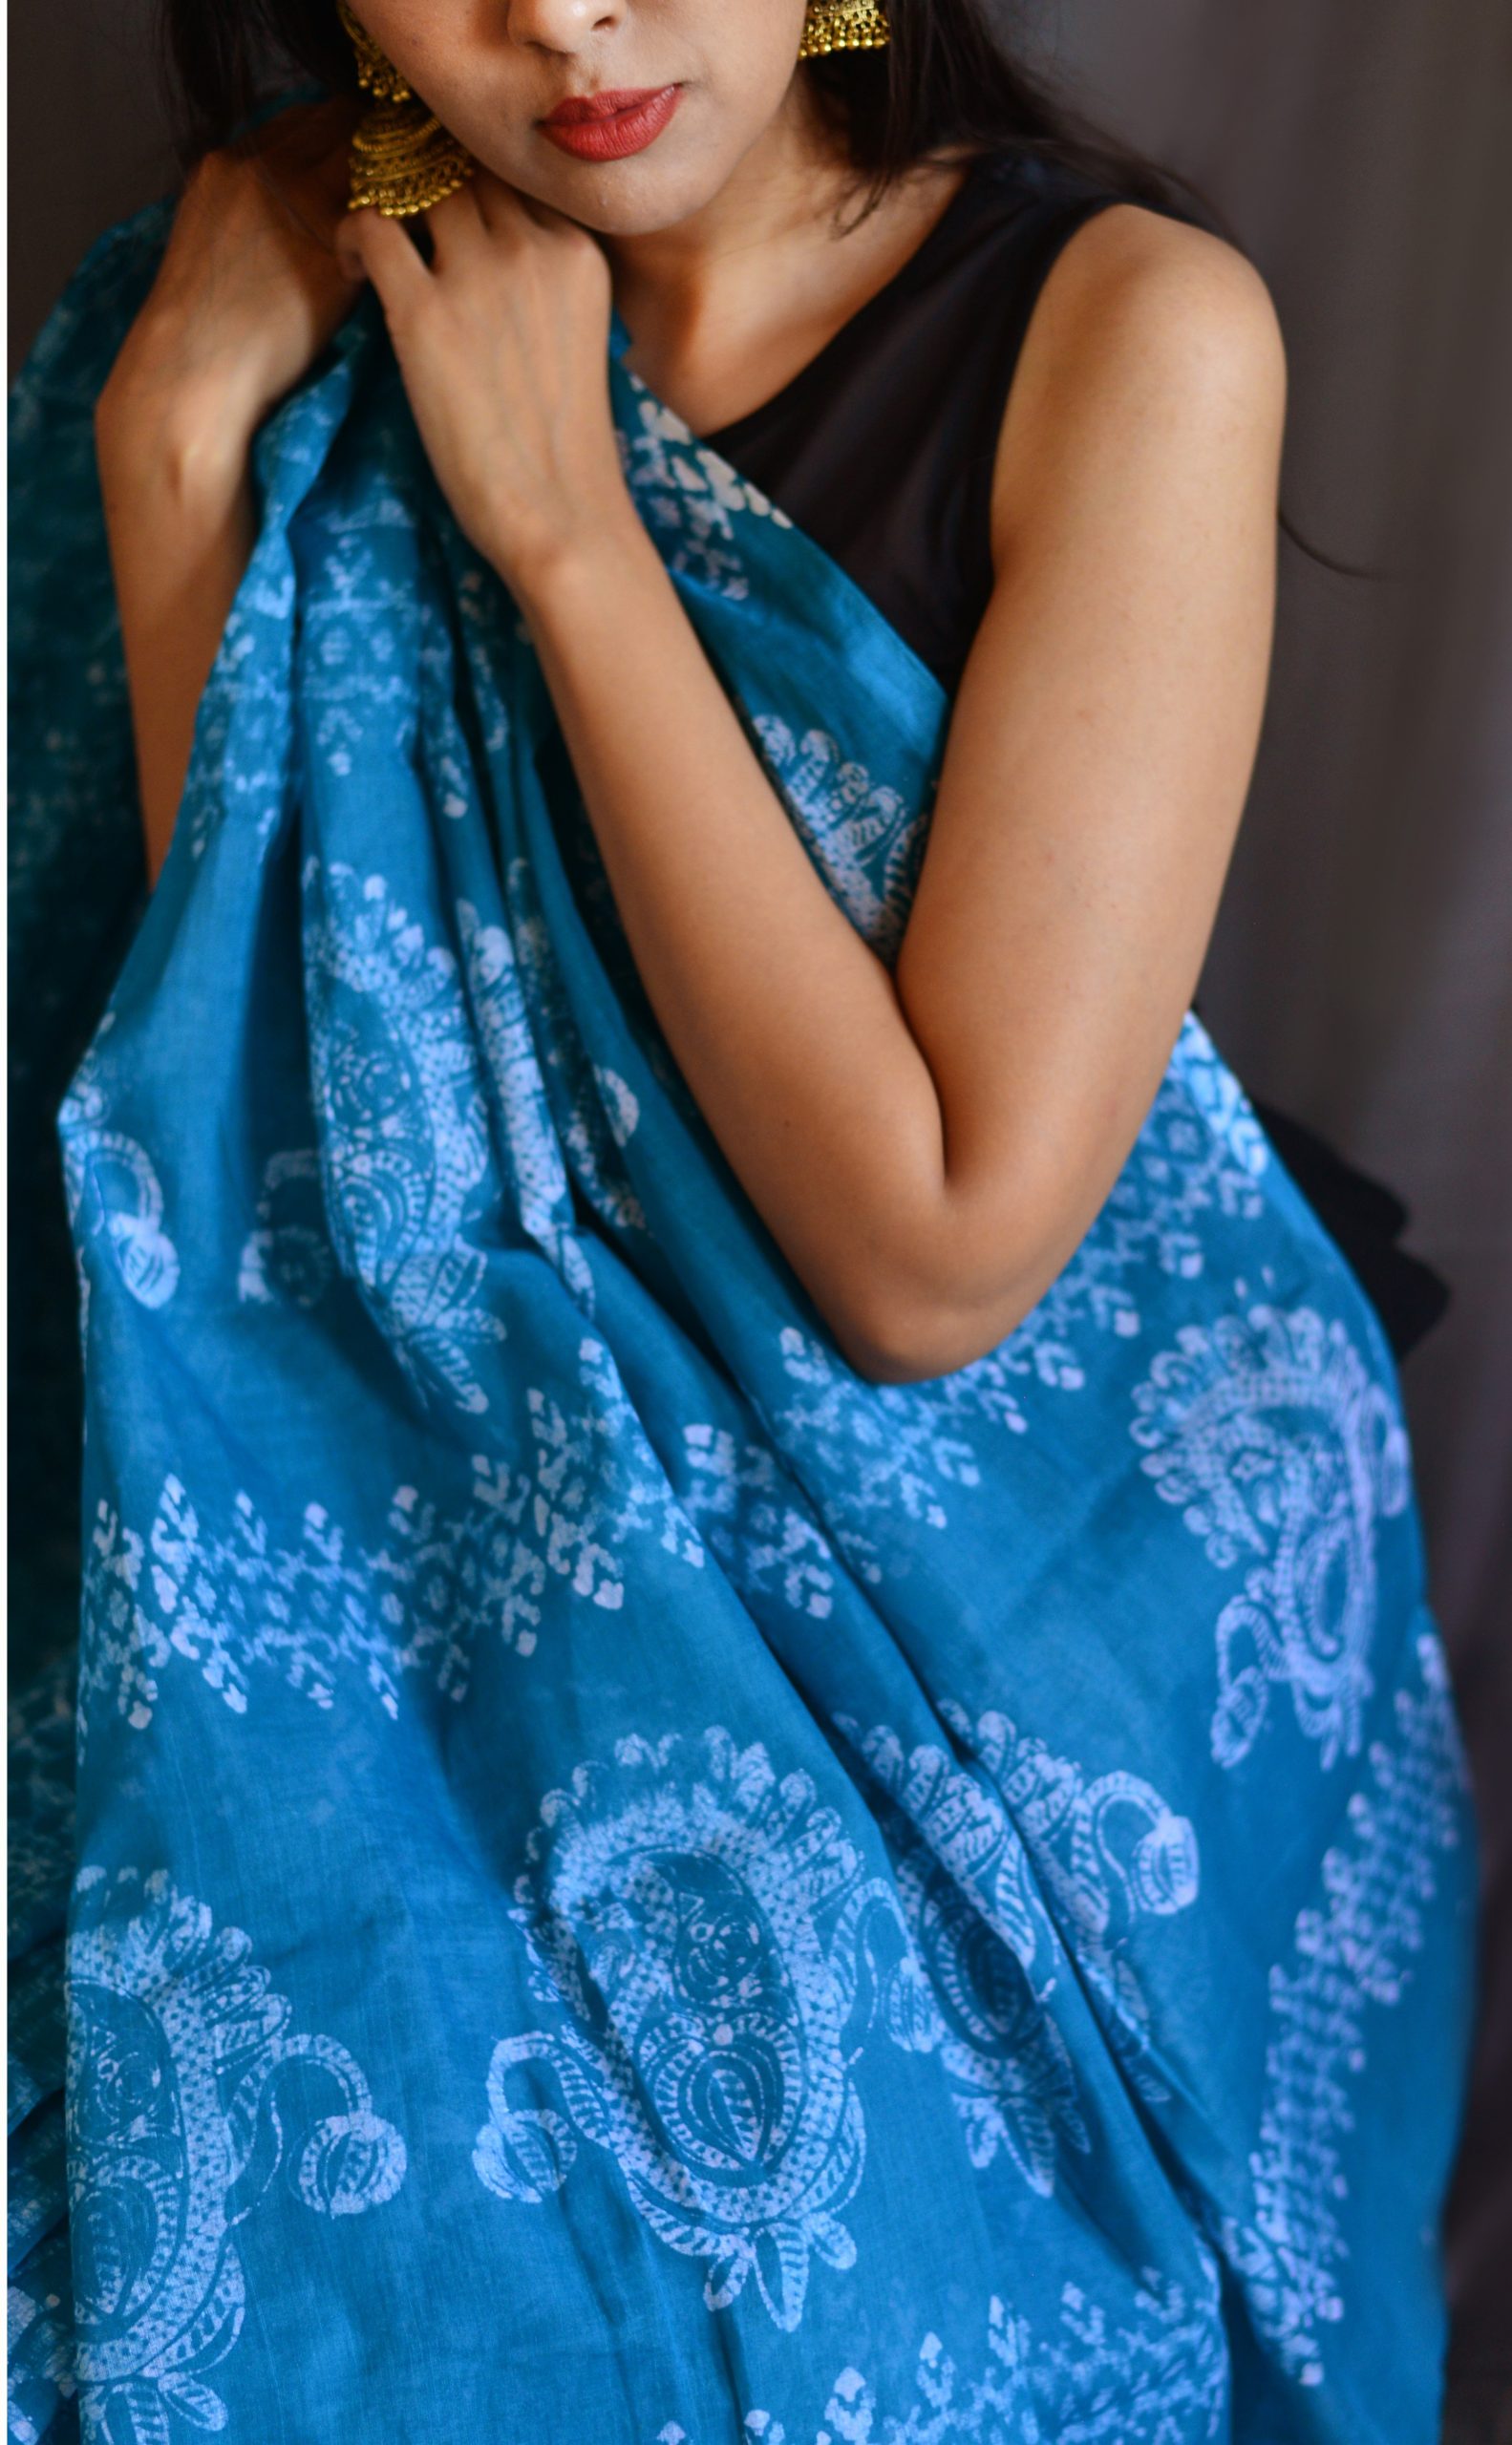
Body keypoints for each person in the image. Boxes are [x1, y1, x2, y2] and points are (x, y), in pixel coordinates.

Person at [5, 2, 1475, 2439]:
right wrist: (172, 441)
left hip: (997, 1651)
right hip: (408, 1546)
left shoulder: (1121, 334)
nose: (568, 19)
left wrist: (570, 532)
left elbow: (935, 1255)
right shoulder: (288, 308)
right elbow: (261, 1163)